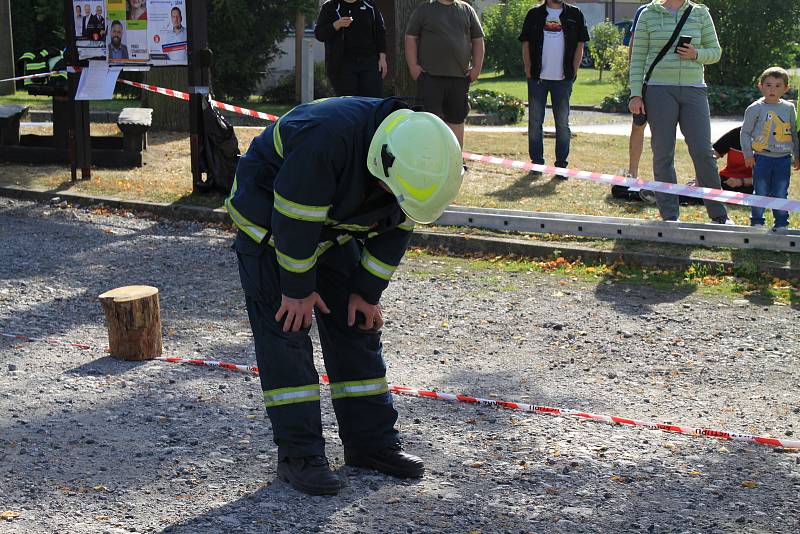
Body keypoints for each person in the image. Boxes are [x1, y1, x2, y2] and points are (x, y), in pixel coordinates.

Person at [225, 97, 464, 496]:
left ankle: (371, 444)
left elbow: (398, 226)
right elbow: (294, 220)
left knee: (357, 327)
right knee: (287, 332)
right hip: (270, 221)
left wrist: (366, 293)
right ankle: (299, 455)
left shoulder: (415, 159)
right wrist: (298, 290)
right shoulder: (326, 141)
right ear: (381, 166)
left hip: (331, 225)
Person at [629, 0, 731, 224]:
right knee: (663, 152)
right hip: (658, 89)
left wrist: (695, 54)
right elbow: (637, 58)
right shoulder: (648, 13)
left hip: (694, 89)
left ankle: (719, 215)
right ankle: (669, 215)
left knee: (703, 151)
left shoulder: (701, 13)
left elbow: (715, 52)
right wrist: (635, 94)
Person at [518, 1, 590, 178]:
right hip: (537, 78)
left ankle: (561, 166)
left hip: (563, 79)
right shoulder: (534, 14)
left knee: (562, 124)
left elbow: (581, 43)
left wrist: (574, 69)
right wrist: (528, 68)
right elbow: (525, 43)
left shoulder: (575, 14)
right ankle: (537, 163)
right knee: (535, 123)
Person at [404, 0, 485, 148]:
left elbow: (478, 40)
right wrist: (413, 67)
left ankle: (456, 162)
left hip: (459, 78)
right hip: (430, 78)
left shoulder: (466, 10)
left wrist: (477, 68)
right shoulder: (424, 10)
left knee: (457, 120)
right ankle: (431, 160)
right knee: (429, 121)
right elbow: (411, 38)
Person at [740, 67, 799, 232]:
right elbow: (745, 133)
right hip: (762, 158)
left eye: (778, 85)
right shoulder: (755, 108)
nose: (772, 89)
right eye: (768, 85)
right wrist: (748, 154)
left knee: (781, 191)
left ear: (786, 88)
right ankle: (757, 222)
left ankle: (781, 223)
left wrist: (797, 155)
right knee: (761, 191)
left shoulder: (788, 108)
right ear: (760, 86)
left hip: (783, 159)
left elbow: (793, 133)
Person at [314, 0, 388, 98]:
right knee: (348, 104)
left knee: (373, 101)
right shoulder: (330, 6)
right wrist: (337, 25)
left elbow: (380, 32)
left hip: (369, 62)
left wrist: (382, 58)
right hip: (342, 64)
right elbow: (319, 34)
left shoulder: (370, 5)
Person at [625, 2, 648, 183]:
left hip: (669, 82)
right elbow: (632, 48)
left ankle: (663, 178)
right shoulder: (644, 10)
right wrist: (634, 85)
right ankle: (632, 173)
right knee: (638, 125)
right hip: (646, 80)